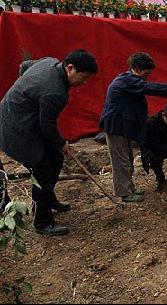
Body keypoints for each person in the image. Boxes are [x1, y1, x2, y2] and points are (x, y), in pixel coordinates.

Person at [0, 50, 98, 236]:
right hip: (17, 132)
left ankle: (48, 199)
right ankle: (42, 221)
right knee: (43, 173)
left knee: (56, 160)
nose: (84, 83)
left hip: (20, 120)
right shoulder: (55, 92)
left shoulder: (49, 62)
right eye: (83, 77)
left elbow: (25, 66)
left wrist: (28, 94)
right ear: (70, 68)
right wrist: (62, 143)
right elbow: (47, 127)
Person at [99, 52, 167, 203]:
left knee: (127, 158)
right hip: (116, 126)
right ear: (137, 69)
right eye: (146, 73)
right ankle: (124, 193)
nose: (147, 76)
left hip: (124, 127)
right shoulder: (127, 80)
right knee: (121, 160)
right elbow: (150, 88)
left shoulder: (130, 80)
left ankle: (128, 188)